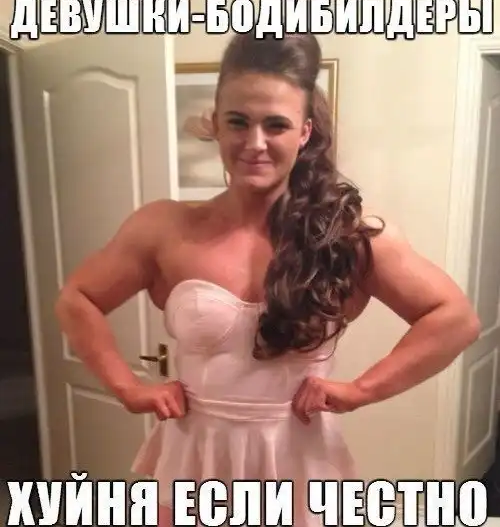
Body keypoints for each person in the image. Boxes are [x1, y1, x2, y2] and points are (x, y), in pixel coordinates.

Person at [55, 31, 480, 527]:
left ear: (304, 132)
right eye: (238, 121)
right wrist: (127, 388)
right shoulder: (163, 227)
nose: (254, 143)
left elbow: (455, 320)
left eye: (276, 125)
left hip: (300, 465)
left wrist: (363, 389)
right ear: (216, 124)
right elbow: (78, 298)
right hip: (193, 463)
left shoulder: (345, 235)